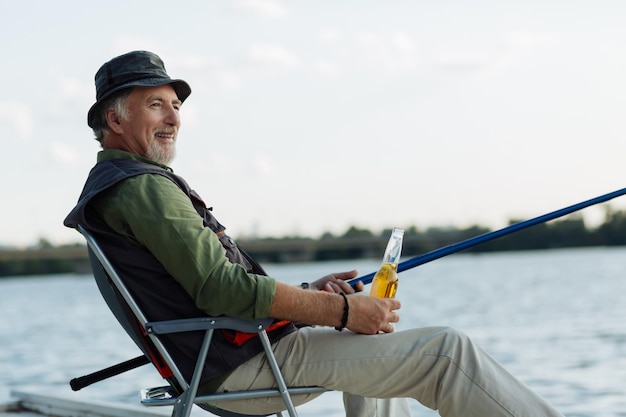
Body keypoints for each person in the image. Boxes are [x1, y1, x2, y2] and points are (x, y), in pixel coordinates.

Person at [64, 50, 564, 417]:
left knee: (372, 361)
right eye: (156, 105)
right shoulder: (142, 189)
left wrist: (310, 297)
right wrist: (344, 311)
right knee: (446, 352)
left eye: (175, 105)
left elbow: (210, 291)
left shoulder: (123, 187)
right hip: (243, 366)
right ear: (114, 118)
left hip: (227, 357)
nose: (174, 118)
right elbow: (221, 289)